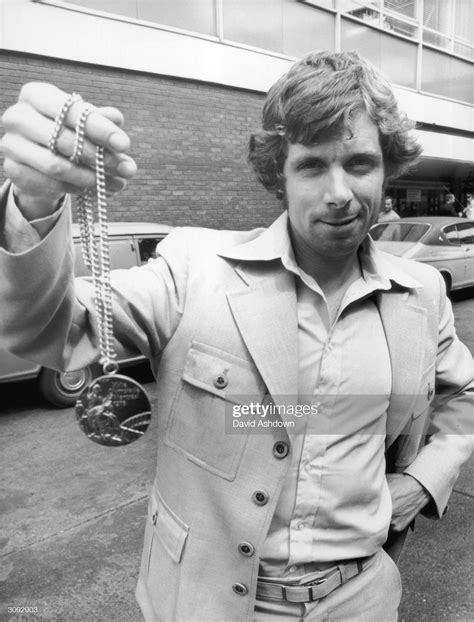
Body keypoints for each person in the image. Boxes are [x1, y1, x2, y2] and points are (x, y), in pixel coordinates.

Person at [0, 51, 472, 622]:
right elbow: (44, 328)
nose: (339, 192)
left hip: (361, 601)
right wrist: (31, 204)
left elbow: (459, 398)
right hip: (205, 603)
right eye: (313, 166)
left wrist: (424, 480)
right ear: (280, 174)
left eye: (359, 162)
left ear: (388, 168)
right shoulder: (193, 269)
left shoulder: (421, 294)